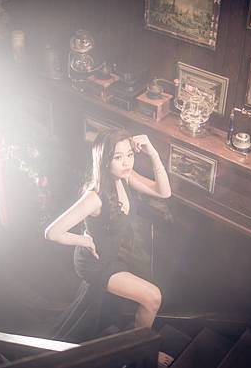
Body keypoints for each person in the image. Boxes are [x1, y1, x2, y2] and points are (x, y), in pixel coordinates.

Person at [44, 129, 173, 366]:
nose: (126, 163)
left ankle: (138, 348)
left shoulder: (125, 176)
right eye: (118, 157)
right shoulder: (94, 196)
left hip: (114, 254)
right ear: (104, 160)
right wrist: (84, 240)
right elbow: (52, 232)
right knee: (153, 297)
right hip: (95, 262)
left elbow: (164, 192)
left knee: (147, 296)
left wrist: (153, 153)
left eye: (129, 155)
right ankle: (142, 352)